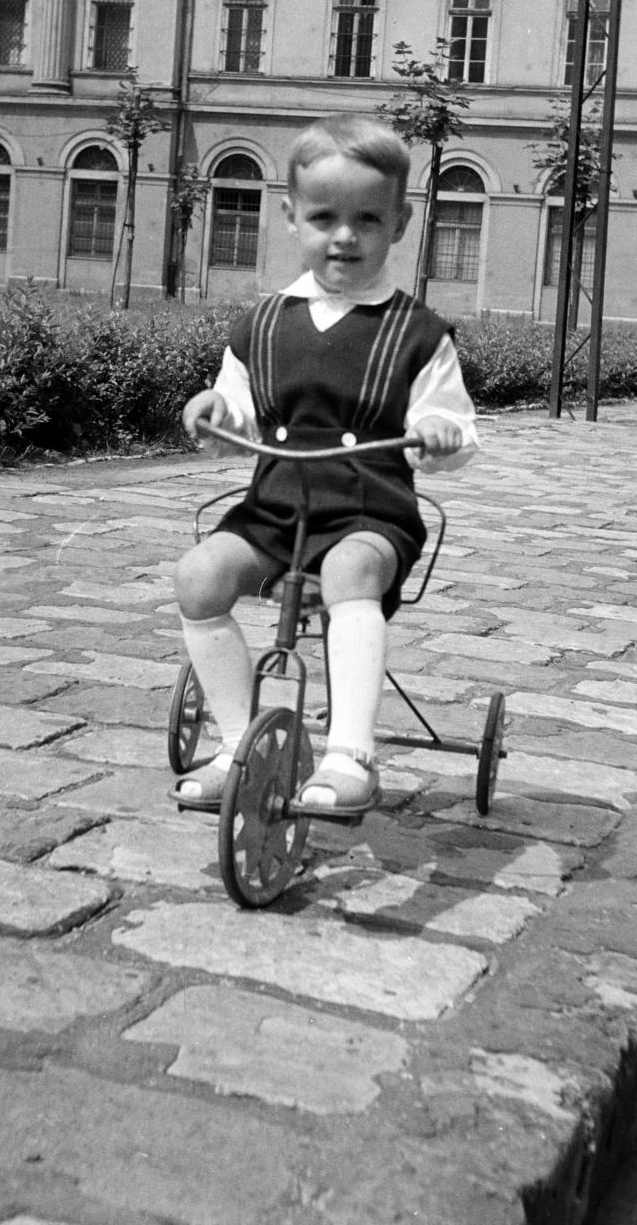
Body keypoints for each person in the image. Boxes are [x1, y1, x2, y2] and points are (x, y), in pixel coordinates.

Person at [172, 113, 479, 817]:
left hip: (371, 509)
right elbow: (239, 408)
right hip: (277, 506)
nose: (345, 236)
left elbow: (458, 429)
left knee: (349, 571)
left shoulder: (416, 333)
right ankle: (236, 742)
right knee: (199, 576)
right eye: (324, 217)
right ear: (290, 218)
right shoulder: (265, 321)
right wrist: (215, 412)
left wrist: (437, 432)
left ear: (399, 224)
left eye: (368, 219)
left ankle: (349, 755)